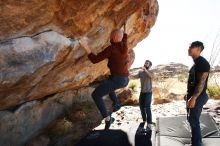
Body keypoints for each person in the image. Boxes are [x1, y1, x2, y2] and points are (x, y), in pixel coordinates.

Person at [79, 29, 129, 129]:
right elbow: (125, 37)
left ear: (113, 38)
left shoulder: (111, 49)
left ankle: (107, 118)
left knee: (96, 95)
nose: (109, 38)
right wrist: (123, 32)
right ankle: (116, 103)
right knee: (107, 83)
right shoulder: (125, 45)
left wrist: (85, 46)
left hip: (117, 80)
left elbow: (95, 59)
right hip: (125, 79)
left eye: (110, 36)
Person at [186, 41, 210, 146]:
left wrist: (194, 98)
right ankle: (195, 142)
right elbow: (193, 81)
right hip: (193, 95)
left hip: (199, 96)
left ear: (199, 49)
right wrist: (188, 95)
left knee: (194, 120)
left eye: (192, 47)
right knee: (191, 119)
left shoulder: (202, 63)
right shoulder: (196, 63)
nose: (189, 48)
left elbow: (201, 83)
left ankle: (197, 144)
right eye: (189, 46)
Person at [131, 60, 154, 129]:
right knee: (141, 107)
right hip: (142, 93)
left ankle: (149, 123)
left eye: (147, 63)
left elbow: (152, 76)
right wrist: (127, 73)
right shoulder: (140, 72)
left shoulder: (151, 72)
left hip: (148, 93)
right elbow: (134, 77)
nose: (145, 64)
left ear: (149, 66)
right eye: (145, 63)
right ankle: (144, 120)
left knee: (147, 107)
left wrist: (145, 70)